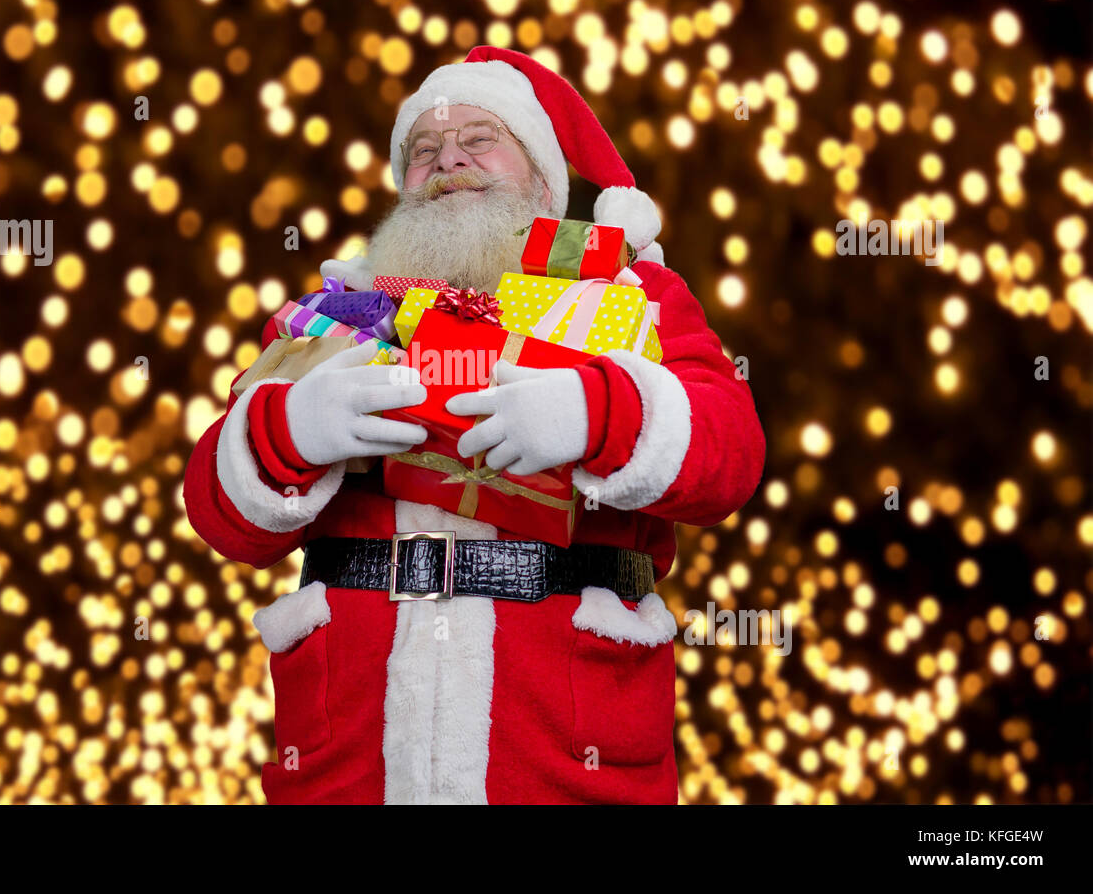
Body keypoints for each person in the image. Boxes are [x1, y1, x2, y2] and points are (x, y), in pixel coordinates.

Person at [183, 46, 766, 804]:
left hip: (560, 748)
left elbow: (732, 454)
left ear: (545, 176)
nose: (448, 160)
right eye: (423, 151)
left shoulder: (629, 295)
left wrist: (599, 412)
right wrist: (288, 430)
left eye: (479, 138)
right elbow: (216, 515)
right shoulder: (339, 313)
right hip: (354, 757)